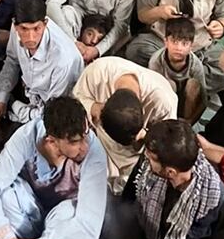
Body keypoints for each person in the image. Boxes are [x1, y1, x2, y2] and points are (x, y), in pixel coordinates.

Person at [0, 97, 107, 239]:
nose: (85, 146)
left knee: (70, 214)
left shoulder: (94, 151)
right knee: (6, 194)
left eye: (85, 135)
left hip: (61, 222)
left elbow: (89, 230)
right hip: (31, 213)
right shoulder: (25, 137)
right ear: (52, 140)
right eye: (75, 142)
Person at [121, 119, 224, 239]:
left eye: (151, 158)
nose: (146, 158)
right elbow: (128, 206)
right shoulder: (146, 168)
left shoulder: (217, 201)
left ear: (170, 172)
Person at [73, 56, 178, 194]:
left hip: (141, 152)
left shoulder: (163, 102)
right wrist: (93, 107)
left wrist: (146, 136)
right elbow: (77, 97)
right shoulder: (98, 71)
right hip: (101, 140)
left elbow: (167, 143)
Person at [0, 0, 84, 135]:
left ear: (45, 24)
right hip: (28, 90)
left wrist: (16, 108)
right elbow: (12, 61)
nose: (30, 38)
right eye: (24, 29)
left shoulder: (64, 59)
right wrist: (1, 99)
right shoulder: (16, 30)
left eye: (36, 29)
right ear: (15, 25)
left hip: (53, 109)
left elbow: (54, 110)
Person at [148, 17, 208, 123]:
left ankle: (182, 123)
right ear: (166, 41)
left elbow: (203, 100)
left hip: (186, 103)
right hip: (165, 101)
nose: (179, 48)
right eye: (174, 42)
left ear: (191, 46)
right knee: (169, 84)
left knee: (193, 84)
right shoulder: (156, 61)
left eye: (184, 44)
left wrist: (189, 122)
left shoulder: (195, 65)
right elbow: (151, 93)